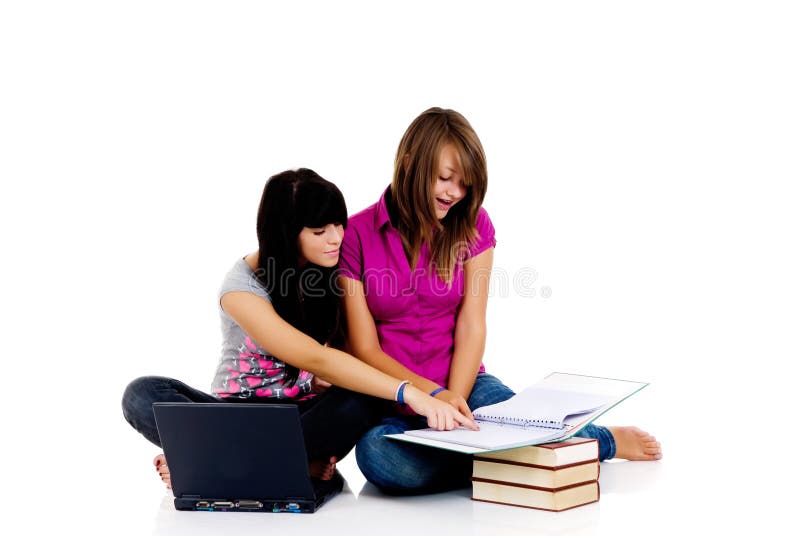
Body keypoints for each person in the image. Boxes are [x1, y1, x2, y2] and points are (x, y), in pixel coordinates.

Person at [338, 107, 662, 495]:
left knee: (524, 422)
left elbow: (472, 323)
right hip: (393, 398)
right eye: (444, 178)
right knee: (379, 458)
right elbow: (363, 347)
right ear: (408, 164)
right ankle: (505, 460)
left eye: (465, 184)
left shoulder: (474, 223)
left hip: (467, 385)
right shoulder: (355, 234)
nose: (454, 193)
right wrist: (430, 398)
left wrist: (454, 399)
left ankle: (601, 440)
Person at [121, 168, 477, 489]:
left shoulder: (332, 271)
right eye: (320, 231)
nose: (336, 238)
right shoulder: (240, 289)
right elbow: (314, 357)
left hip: (305, 420)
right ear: (287, 233)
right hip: (236, 415)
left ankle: (209, 464)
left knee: (361, 401)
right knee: (141, 393)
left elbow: (346, 356)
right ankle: (283, 464)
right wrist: (412, 392)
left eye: (339, 225)